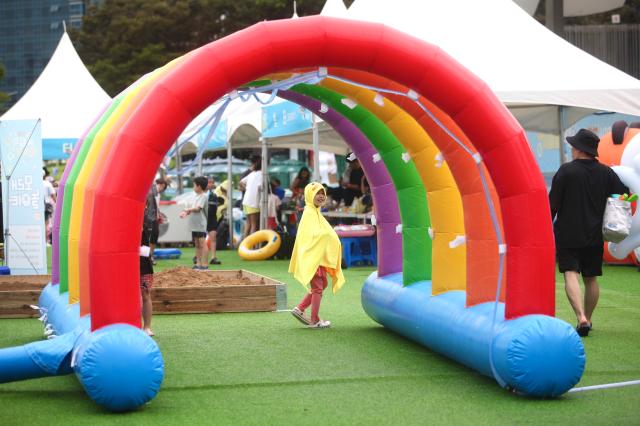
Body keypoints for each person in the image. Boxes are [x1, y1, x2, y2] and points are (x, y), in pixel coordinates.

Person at [549, 128, 627, 337]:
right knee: (591, 278)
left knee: (570, 273)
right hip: (594, 235)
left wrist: (547, 225)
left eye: (573, 146)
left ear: (579, 150)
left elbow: (552, 204)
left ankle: (580, 316)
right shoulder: (606, 172)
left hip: (568, 233)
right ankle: (589, 319)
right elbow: (624, 195)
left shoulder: (566, 171)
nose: (572, 149)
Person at [289, 182, 345, 328]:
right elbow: (312, 235)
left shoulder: (315, 212)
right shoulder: (309, 213)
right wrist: (328, 236)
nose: (321, 196)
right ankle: (314, 319)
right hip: (313, 257)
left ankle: (300, 308)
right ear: (309, 195)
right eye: (317, 193)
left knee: (321, 285)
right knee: (318, 287)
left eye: (322, 193)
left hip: (316, 257)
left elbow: (321, 232)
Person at [180, 176, 209, 270]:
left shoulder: (203, 196)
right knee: (196, 243)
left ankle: (205, 264)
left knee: (202, 243)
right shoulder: (194, 196)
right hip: (194, 224)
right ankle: (198, 263)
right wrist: (185, 212)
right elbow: (192, 208)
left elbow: (198, 209)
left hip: (200, 224)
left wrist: (187, 209)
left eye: (194, 185)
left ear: (199, 186)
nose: (193, 187)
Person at [140, 188, 156, 337]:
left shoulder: (148, 220)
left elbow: (148, 248)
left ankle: (147, 326)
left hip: (143, 263)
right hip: (127, 262)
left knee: (145, 293)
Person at [239, 157, 262, 238]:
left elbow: (241, 182)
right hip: (253, 201)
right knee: (254, 224)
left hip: (245, 201)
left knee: (248, 223)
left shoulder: (252, 174)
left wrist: (246, 188)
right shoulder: (261, 174)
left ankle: (244, 245)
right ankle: (252, 246)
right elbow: (260, 187)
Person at [148, 178, 167, 265]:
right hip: (149, 219)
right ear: (162, 185)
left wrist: (159, 215)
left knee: (153, 238)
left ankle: (150, 256)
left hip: (153, 218)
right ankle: (149, 257)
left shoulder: (155, 192)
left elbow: (156, 207)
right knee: (150, 238)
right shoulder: (152, 191)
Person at [206, 177, 224, 265]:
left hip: (212, 218)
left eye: (212, 182)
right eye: (209, 182)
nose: (211, 184)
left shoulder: (214, 195)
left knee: (213, 237)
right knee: (199, 240)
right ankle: (198, 256)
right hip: (202, 219)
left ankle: (213, 257)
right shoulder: (200, 195)